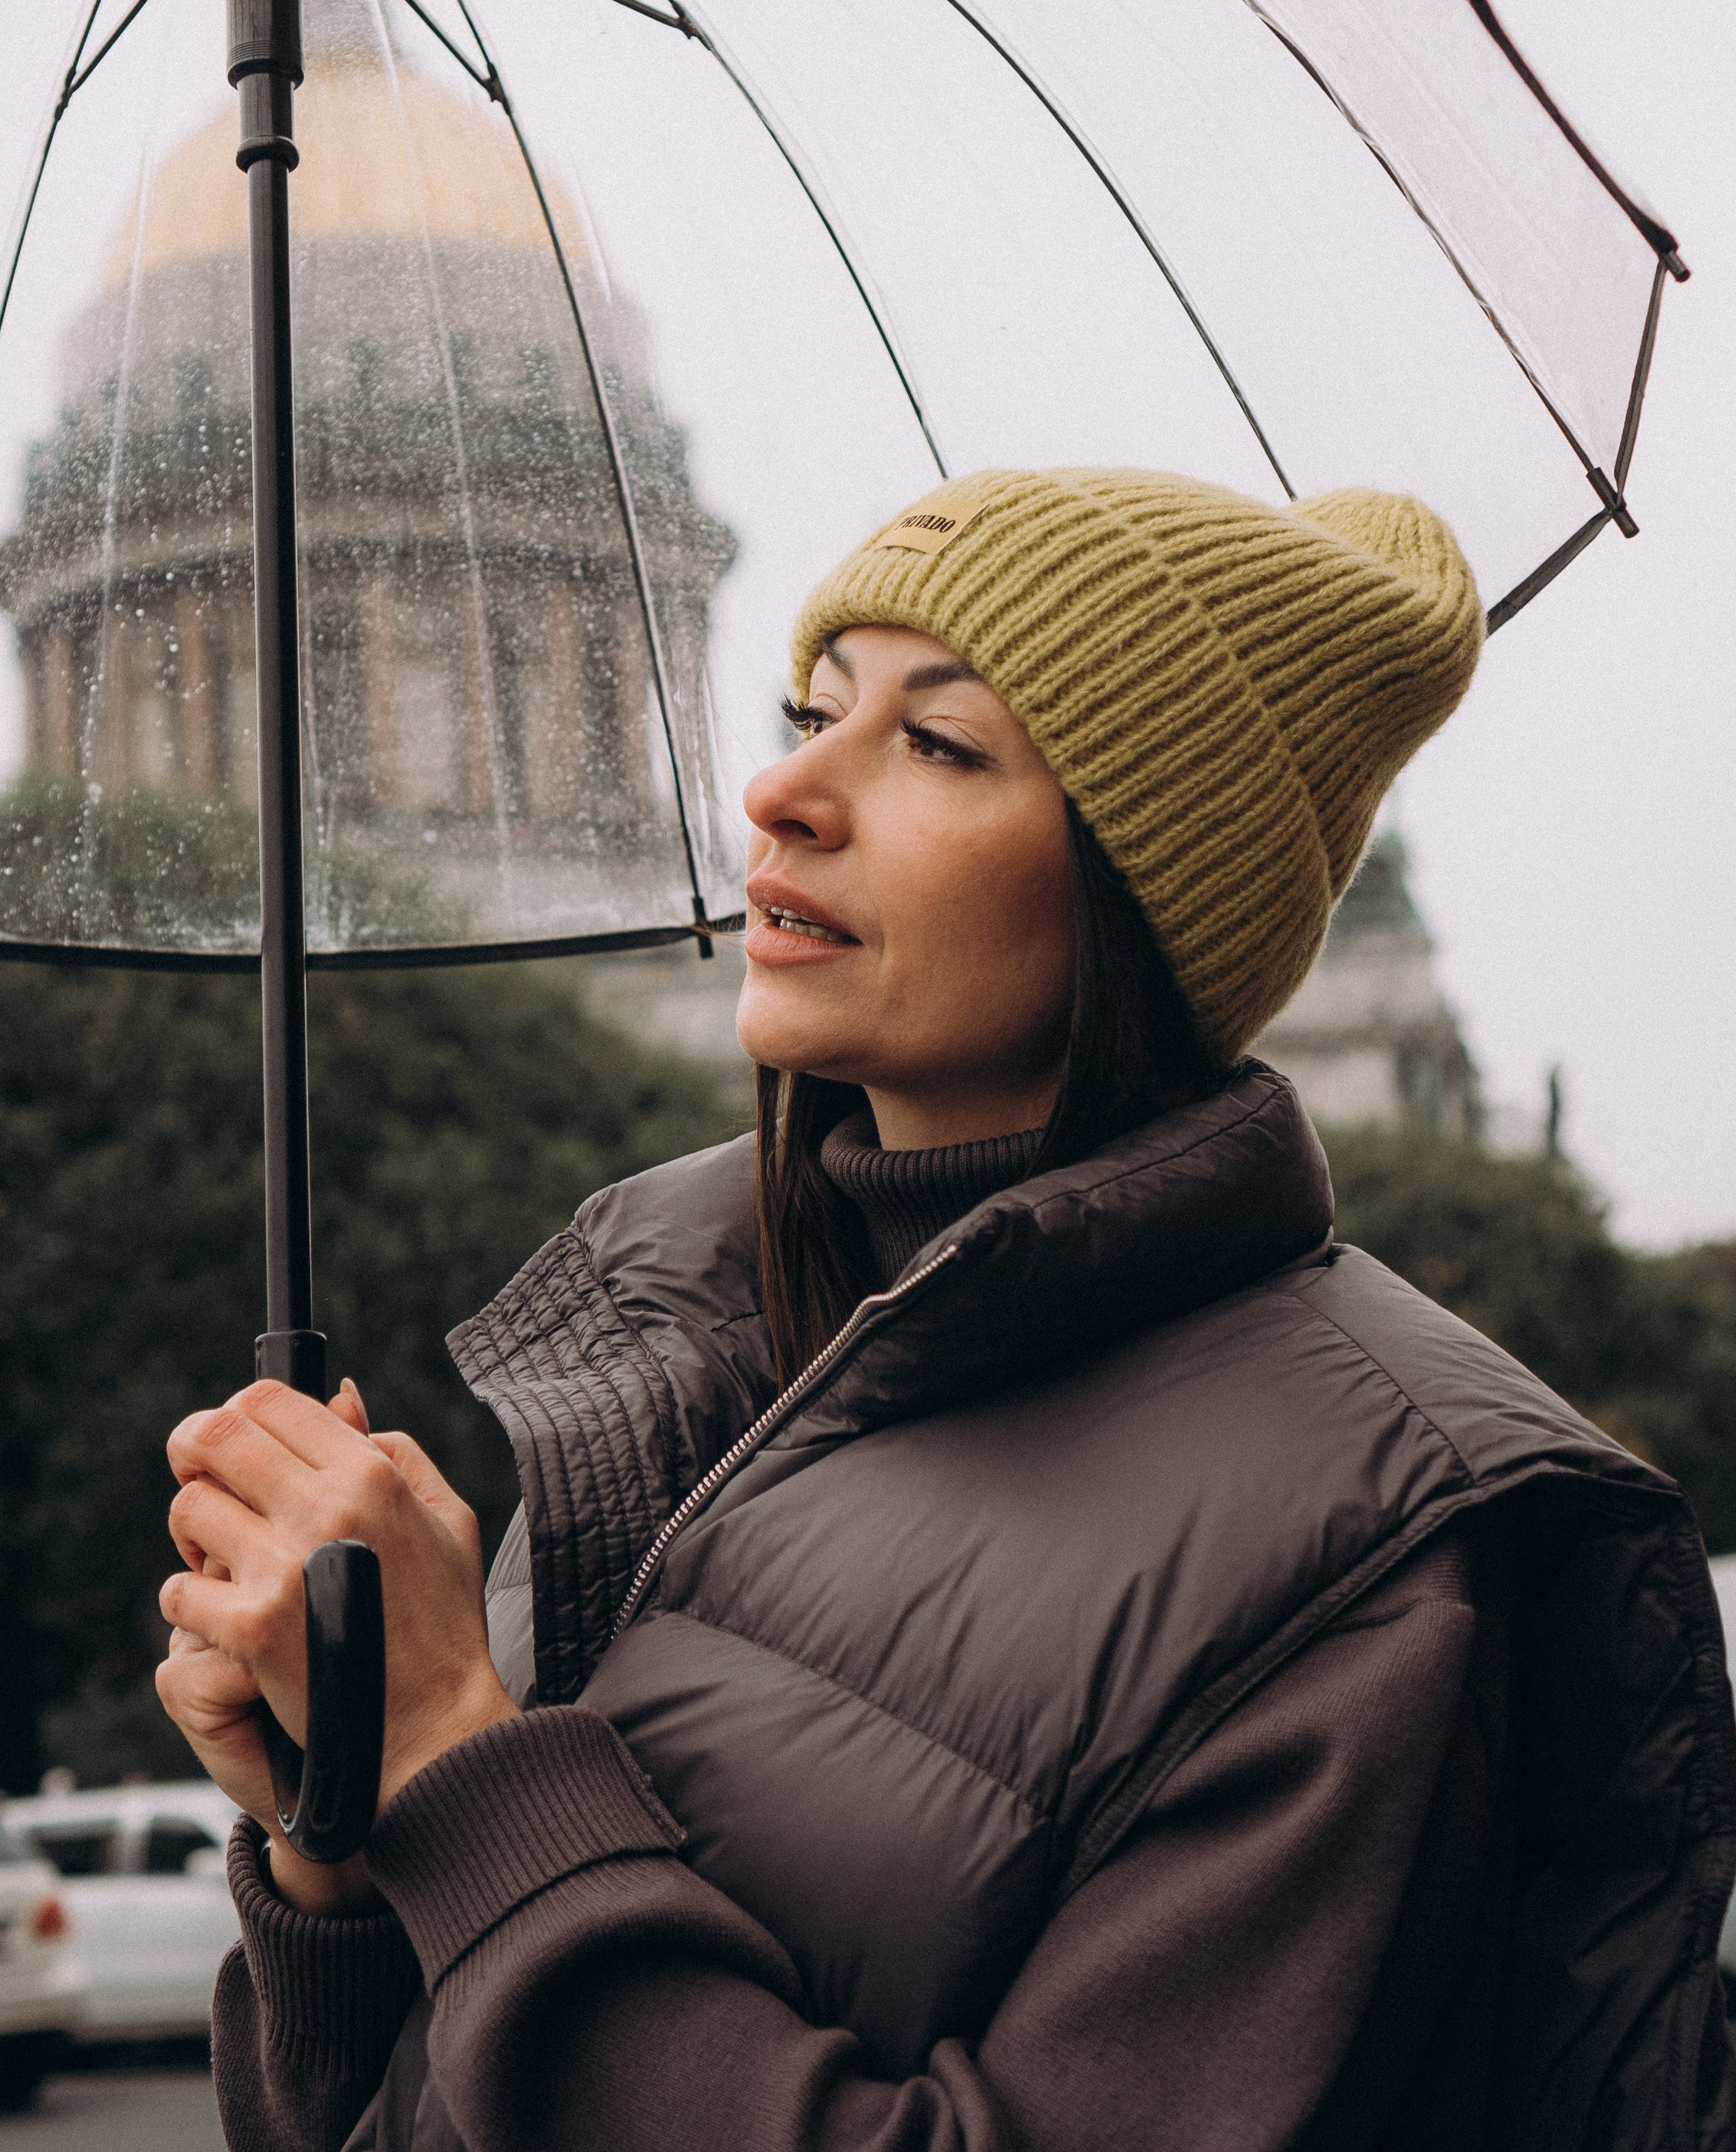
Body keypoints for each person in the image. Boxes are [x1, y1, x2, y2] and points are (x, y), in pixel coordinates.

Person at [158, 467, 1736, 2152]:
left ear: (1144, 895)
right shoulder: (682, 1369)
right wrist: (341, 1841)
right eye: (808, 710)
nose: (778, 792)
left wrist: (453, 1763)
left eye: (936, 744)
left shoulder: (1381, 1542)